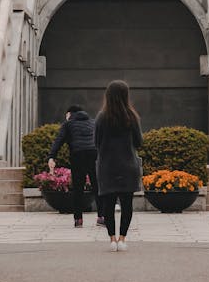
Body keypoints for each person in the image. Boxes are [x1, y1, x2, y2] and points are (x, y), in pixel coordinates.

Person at [94, 80, 143, 252]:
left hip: (107, 166)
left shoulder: (101, 117)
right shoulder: (132, 117)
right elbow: (139, 142)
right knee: (127, 204)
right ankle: (122, 238)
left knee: (108, 204)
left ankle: (112, 239)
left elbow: (96, 142)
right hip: (128, 165)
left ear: (108, 95)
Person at [48, 105, 104, 228]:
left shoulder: (68, 124)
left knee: (78, 188)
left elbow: (59, 140)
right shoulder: (93, 122)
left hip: (78, 155)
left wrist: (52, 156)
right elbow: (101, 140)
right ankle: (102, 217)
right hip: (93, 154)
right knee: (97, 186)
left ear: (69, 114)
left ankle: (78, 219)